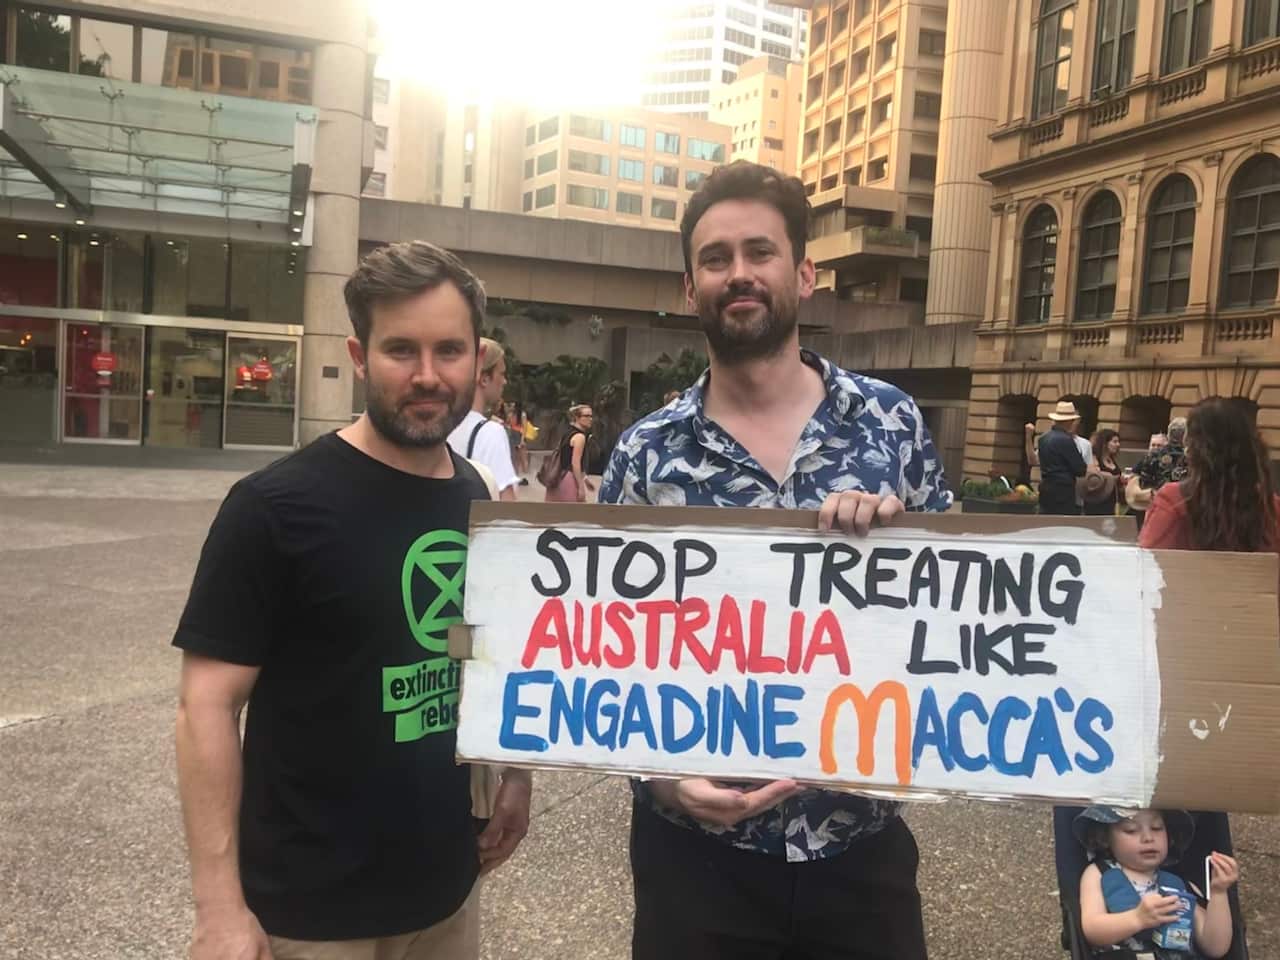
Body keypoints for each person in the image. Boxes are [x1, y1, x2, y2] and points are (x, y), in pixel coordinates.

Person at [599, 160, 951, 960]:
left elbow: (958, 625)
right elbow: (600, 659)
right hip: (694, 863)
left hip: (859, 851)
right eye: (715, 258)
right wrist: (659, 778)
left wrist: (902, 550)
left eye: (760, 251)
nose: (739, 273)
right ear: (690, 287)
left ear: (805, 273)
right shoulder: (645, 456)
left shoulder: (892, 426)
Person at [173, 241, 532, 960]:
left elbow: (484, 652)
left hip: (447, 893)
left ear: (476, 358)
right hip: (311, 916)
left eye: (449, 350)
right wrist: (219, 908)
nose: (427, 375)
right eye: (401, 350)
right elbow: (205, 706)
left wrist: (517, 774)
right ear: (360, 356)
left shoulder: (476, 495)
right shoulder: (272, 507)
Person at [1075, 806, 1239, 958]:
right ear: (1105, 838)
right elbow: (1092, 930)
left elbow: (1216, 948)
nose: (1148, 838)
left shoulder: (1180, 885)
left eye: (1156, 828)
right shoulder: (1099, 874)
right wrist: (1137, 919)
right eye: (1131, 830)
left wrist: (1219, 892)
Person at [446, 337, 519, 501]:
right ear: (484, 378)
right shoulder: (490, 433)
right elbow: (505, 505)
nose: (505, 381)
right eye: (502, 374)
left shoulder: (439, 426)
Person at [1037, 401, 1088, 516]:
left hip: (1046, 487)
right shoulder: (1066, 440)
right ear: (1068, 421)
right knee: (1062, 522)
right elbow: (1080, 469)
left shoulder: (1043, 439)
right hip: (1063, 491)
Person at [543, 403, 594, 503]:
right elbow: (575, 463)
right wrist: (580, 487)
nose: (590, 419)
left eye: (591, 416)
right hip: (569, 479)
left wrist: (585, 479)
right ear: (577, 418)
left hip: (557, 477)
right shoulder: (580, 437)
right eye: (586, 416)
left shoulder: (567, 433)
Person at [1083, 429, 1122, 517]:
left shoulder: (1112, 460)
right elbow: (1092, 477)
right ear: (1105, 443)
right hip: (1097, 500)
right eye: (1114, 442)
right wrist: (1111, 478)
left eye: (1118, 442)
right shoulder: (1094, 459)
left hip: (1111, 500)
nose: (1118, 444)